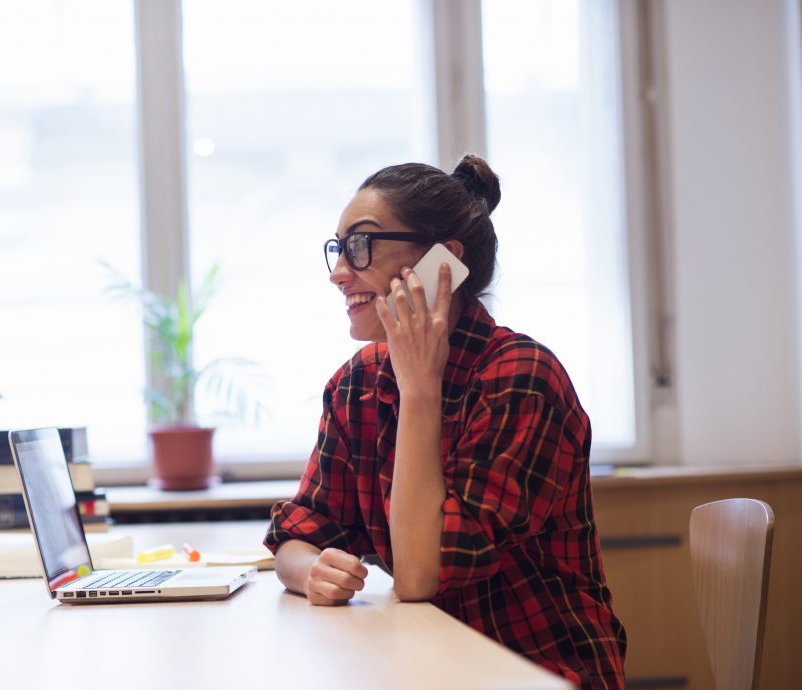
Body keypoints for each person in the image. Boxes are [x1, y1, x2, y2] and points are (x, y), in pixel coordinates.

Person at [263, 155, 627, 689]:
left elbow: (418, 574)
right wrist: (311, 571)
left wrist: (418, 389)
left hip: (538, 670)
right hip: (422, 662)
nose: (339, 272)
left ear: (443, 264)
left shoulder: (523, 378)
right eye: (338, 248)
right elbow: (299, 536)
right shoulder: (356, 384)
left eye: (361, 246)